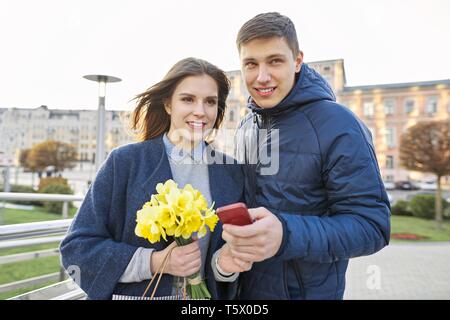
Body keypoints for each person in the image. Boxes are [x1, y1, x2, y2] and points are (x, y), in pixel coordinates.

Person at [223, 12, 391, 299]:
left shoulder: (340, 125)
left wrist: (286, 234)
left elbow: (372, 226)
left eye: (274, 61)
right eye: (251, 64)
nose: (261, 77)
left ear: (298, 60)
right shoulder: (244, 127)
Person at [60, 57, 251, 300]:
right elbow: (77, 248)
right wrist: (155, 261)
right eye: (188, 99)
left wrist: (225, 266)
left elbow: (222, 266)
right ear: (168, 104)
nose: (200, 111)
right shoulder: (124, 162)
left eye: (210, 102)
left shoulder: (233, 172)